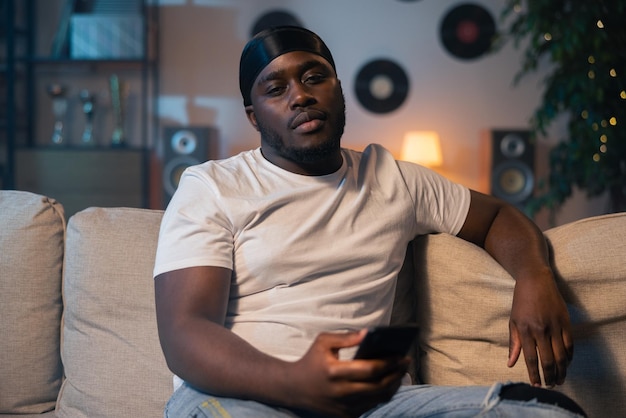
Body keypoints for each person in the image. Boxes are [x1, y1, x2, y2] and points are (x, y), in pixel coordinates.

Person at [153, 26, 586, 418]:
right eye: (275, 88)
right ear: (254, 115)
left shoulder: (395, 180)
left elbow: (497, 216)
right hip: (242, 397)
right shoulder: (212, 187)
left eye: (313, 77)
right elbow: (185, 333)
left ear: (338, 90)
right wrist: (294, 383)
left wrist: (534, 275)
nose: (299, 96)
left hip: (375, 404)